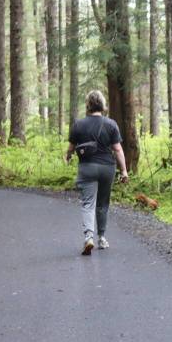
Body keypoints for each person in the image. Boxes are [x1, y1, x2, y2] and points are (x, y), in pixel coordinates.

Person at [64, 90, 129, 255]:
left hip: (87, 168)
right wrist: (123, 171)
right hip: (107, 168)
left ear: (88, 105)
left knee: (88, 203)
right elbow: (118, 149)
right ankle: (101, 238)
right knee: (102, 204)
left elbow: (70, 149)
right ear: (103, 105)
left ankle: (88, 237)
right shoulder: (111, 124)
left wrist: (68, 157)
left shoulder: (78, 125)